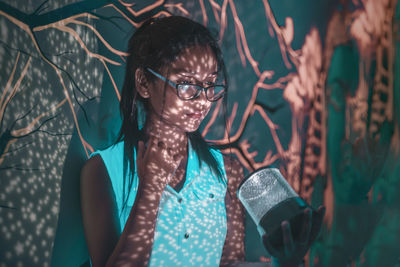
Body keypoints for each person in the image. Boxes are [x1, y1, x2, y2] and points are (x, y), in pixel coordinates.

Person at [80, 16, 324, 267]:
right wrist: (149, 192)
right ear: (144, 83)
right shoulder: (102, 169)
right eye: (186, 85)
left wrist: (282, 263)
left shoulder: (226, 171)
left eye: (209, 84)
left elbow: (230, 263)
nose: (203, 101)